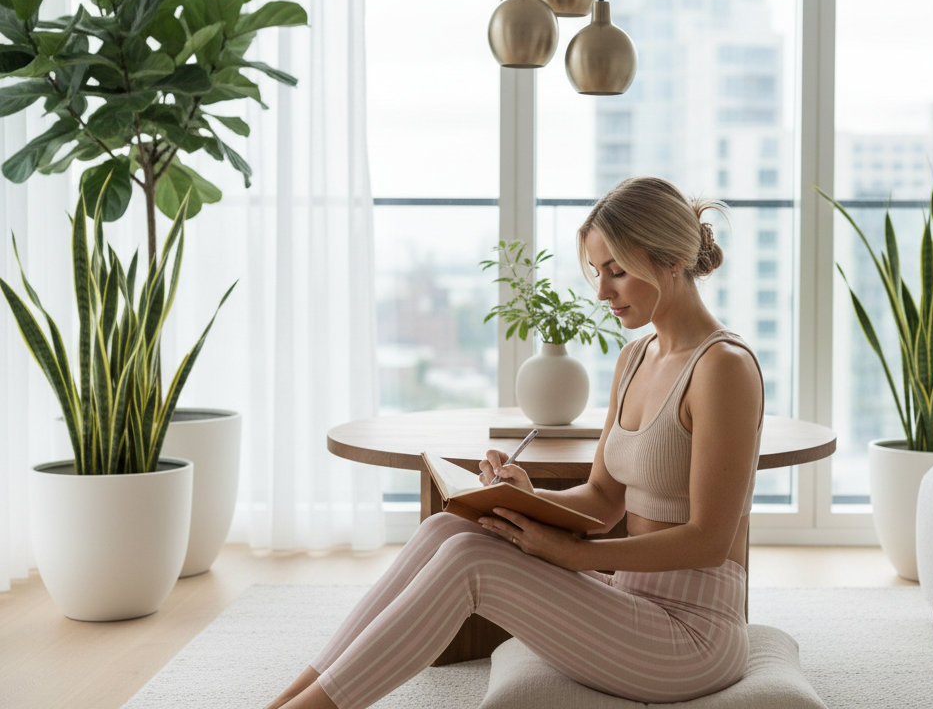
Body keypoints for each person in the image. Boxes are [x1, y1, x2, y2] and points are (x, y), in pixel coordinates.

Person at [265, 176, 765, 709]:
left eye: (617, 271)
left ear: (670, 259)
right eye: (597, 272)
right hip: (632, 604)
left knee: (469, 562)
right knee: (446, 526)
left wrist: (577, 556)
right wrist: (523, 495)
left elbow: (710, 539)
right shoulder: (635, 359)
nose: (601, 292)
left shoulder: (723, 368)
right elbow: (599, 501)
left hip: (694, 638)